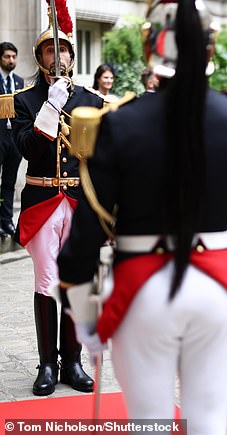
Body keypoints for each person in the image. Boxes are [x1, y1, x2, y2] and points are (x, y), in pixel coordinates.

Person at [57, 1, 227, 433]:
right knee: (208, 424)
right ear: (211, 48)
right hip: (216, 287)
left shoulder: (119, 122)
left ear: (150, 46)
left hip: (142, 291)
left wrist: (86, 317)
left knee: (148, 424)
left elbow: (84, 237)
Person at [11, 4, 103, 396]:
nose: (58, 56)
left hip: (80, 203)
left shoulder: (92, 99)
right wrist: (50, 105)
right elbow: (29, 148)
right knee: (47, 282)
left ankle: (74, 360)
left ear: (72, 55)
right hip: (43, 200)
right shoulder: (25, 100)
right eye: (50, 50)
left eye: (63, 50)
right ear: (40, 58)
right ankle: (48, 363)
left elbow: (102, 160)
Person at [0, 41, 24, 238]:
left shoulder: (19, 82)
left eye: (14, 57)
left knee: (9, 182)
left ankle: (7, 221)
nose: (11, 60)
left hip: (13, 139)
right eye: (7, 56)